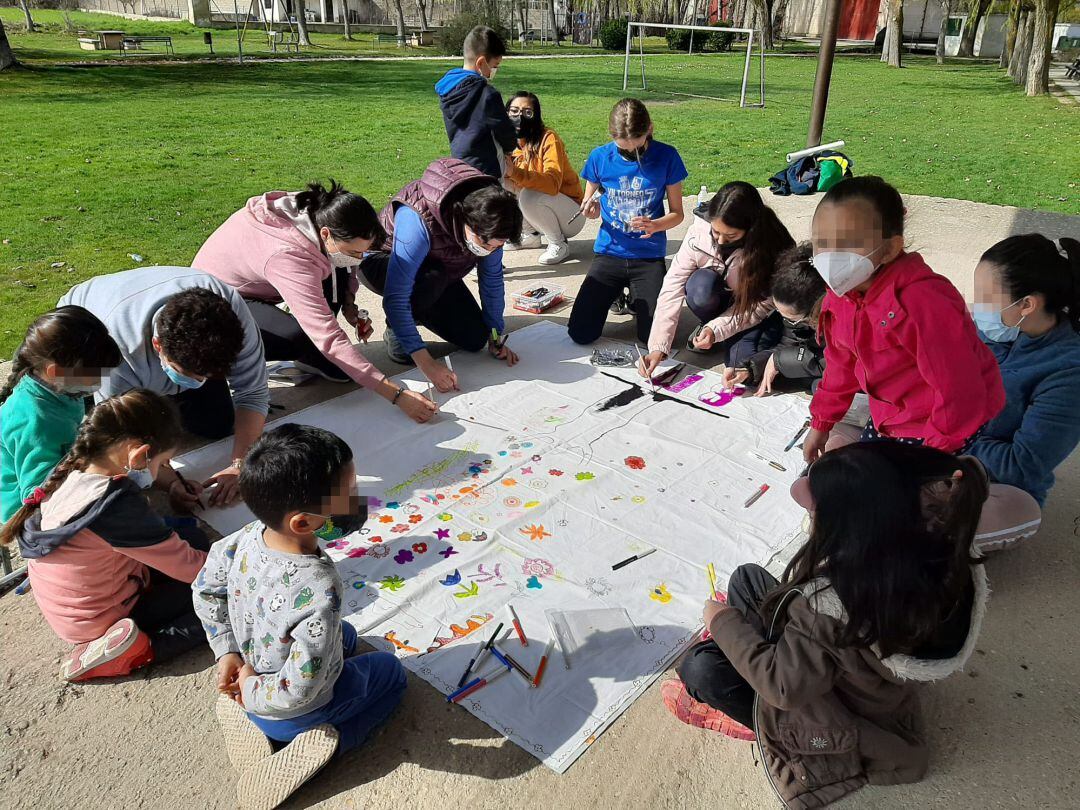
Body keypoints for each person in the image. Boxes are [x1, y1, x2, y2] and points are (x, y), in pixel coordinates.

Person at [664, 442, 989, 808]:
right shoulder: (936, 552)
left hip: (841, 714)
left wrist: (720, 620)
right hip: (859, 675)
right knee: (747, 579)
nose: (812, 519)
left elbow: (783, 687)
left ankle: (767, 728)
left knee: (702, 667)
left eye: (818, 511)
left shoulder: (833, 602)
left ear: (856, 528)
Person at [193, 424, 406, 809]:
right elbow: (300, 688)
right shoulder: (320, 588)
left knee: (347, 634)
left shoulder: (244, 536)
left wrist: (226, 652)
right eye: (351, 492)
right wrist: (251, 690)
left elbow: (205, 589)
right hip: (289, 706)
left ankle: (260, 720)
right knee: (391, 672)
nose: (359, 500)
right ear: (303, 523)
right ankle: (327, 744)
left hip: (251, 662)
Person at [2, 390, 209, 681]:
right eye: (161, 463)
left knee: (195, 540)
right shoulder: (114, 506)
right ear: (137, 453)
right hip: (104, 619)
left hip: (80, 607)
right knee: (220, 603)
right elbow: (193, 569)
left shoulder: (74, 470)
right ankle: (137, 650)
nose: (160, 471)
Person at [193, 182, 437, 424]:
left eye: (362, 253)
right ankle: (236, 361)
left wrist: (350, 303)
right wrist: (397, 395)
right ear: (325, 234)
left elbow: (345, 265)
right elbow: (327, 336)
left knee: (342, 365)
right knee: (297, 337)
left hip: (260, 278)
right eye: (354, 253)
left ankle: (311, 353)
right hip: (217, 300)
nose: (359, 260)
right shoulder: (288, 256)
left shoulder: (323, 213)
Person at [802, 176, 1004, 463]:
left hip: (943, 425)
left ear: (890, 249)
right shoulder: (843, 293)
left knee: (923, 500)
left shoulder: (924, 302)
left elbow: (959, 392)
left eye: (848, 243)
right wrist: (821, 423)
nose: (831, 256)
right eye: (821, 243)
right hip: (892, 417)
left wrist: (926, 460)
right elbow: (840, 365)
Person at [59, 266, 271, 507]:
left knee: (218, 423)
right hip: (88, 333)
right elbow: (123, 441)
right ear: (157, 345)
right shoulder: (115, 352)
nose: (199, 382)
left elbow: (253, 393)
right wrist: (168, 481)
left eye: (208, 376)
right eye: (187, 374)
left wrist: (240, 465)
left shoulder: (231, 312)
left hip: (150, 334)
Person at [359, 158, 523, 393]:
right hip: (382, 264)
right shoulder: (416, 221)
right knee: (430, 279)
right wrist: (427, 364)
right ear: (466, 221)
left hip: (440, 270)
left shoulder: (492, 225)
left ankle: (424, 312)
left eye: (498, 246)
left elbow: (492, 279)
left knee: (475, 339)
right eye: (486, 244)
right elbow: (396, 295)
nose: (490, 251)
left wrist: (495, 332)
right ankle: (396, 330)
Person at [964, 233, 1080, 553]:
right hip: (938, 449)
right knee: (840, 445)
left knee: (1011, 510)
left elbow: (1022, 465)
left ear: (1027, 304)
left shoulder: (1068, 372)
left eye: (985, 297)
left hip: (994, 486)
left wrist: (952, 433)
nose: (976, 307)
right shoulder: (993, 331)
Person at [567, 98, 687, 346]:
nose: (632, 154)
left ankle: (634, 297)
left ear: (649, 130)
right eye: (623, 150)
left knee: (653, 339)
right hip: (610, 251)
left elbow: (678, 213)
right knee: (580, 333)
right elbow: (591, 202)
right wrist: (590, 209)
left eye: (638, 148)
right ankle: (615, 294)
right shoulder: (600, 157)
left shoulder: (667, 156)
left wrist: (656, 225)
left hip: (647, 254)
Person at [640, 182, 794, 376]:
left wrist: (717, 329)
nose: (720, 241)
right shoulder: (698, 233)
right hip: (719, 296)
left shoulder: (772, 246)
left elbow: (762, 305)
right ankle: (710, 331)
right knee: (700, 286)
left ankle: (722, 334)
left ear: (751, 229)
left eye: (731, 236)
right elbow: (673, 285)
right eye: (716, 232)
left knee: (740, 367)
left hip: (750, 310)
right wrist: (658, 347)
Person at [0, 306, 120, 523]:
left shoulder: (57, 389)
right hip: (25, 509)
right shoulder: (36, 422)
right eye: (94, 374)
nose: (100, 381)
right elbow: (37, 494)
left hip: (59, 463)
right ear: (56, 371)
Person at [718, 243, 827, 396]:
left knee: (821, 388)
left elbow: (841, 360)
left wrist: (779, 360)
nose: (788, 321)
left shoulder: (848, 317)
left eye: (793, 319)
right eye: (781, 314)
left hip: (853, 366)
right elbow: (789, 342)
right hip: (817, 350)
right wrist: (749, 369)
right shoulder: (797, 307)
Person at [501, 91, 585, 264]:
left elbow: (552, 183)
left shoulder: (548, 138)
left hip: (572, 215)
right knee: (499, 183)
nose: (520, 117)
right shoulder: (507, 143)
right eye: (514, 111)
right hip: (541, 210)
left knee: (529, 194)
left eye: (527, 112)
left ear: (536, 115)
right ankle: (530, 234)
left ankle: (558, 243)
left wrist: (515, 172)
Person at [436, 25, 518, 179]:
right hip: (488, 167)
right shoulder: (487, 95)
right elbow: (505, 132)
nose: (494, 71)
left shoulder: (448, 90)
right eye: (494, 66)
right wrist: (511, 147)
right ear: (481, 63)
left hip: (461, 166)